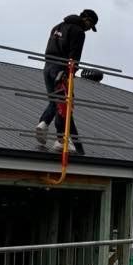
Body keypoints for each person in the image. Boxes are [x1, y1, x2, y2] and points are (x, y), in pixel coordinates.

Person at [34, 9, 99, 155]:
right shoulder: (78, 31)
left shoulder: (57, 27)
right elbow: (74, 56)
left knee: (55, 100)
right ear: (86, 20)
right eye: (90, 25)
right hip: (61, 70)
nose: (89, 29)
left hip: (47, 67)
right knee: (64, 103)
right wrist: (70, 73)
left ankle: (43, 124)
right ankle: (61, 140)